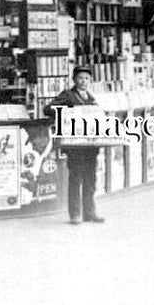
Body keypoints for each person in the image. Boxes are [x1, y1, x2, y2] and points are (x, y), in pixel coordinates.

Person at [51, 66, 105, 224]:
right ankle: (75, 214)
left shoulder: (91, 97)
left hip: (90, 145)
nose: (84, 81)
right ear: (74, 79)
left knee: (90, 179)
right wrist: (67, 116)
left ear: (90, 81)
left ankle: (90, 213)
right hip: (75, 146)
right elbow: (49, 109)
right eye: (80, 78)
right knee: (76, 179)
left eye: (87, 78)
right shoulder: (68, 95)